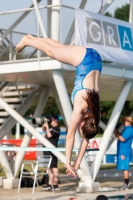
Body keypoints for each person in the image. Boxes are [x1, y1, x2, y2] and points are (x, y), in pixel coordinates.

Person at [16, 35, 102, 177]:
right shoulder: (80, 108)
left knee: (58, 48)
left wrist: (77, 164)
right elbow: (70, 137)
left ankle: (31, 38)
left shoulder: (95, 115)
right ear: (82, 125)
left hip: (94, 58)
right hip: (84, 60)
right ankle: (27, 41)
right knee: (51, 52)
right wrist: (68, 162)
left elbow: (86, 140)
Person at [114, 116, 133, 190]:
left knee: (125, 167)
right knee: (124, 167)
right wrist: (118, 134)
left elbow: (122, 139)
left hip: (124, 152)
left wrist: (116, 134)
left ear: (129, 122)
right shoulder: (127, 130)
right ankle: (126, 183)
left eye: (125, 121)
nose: (123, 123)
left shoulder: (129, 130)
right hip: (124, 151)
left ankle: (126, 184)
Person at [42, 115, 60, 191]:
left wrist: (47, 127)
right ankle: (50, 184)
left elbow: (49, 135)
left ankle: (56, 185)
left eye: (51, 120)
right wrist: (45, 126)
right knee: (49, 168)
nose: (50, 122)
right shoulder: (52, 128)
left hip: (52, 150)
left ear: (55, 120)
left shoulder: (57, 128)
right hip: (47, 150)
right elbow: (43, 130)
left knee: (54, 168)